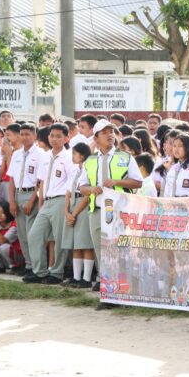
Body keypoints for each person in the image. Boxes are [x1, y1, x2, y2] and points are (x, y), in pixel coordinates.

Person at [78, 119, 142, 294]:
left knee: (120, 251)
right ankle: (108, 291)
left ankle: (122, 290)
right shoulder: (90, 160)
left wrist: (117, 181)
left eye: (111, 131)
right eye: (105, 132)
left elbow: (138, 182)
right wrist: (92, 189)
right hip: (97, 211)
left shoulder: (125, 157)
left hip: (119, 211)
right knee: (101, 252)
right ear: (96, 138)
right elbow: (81, 186)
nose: (110, 135)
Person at [26, 123, 73, 284]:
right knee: (34, 235)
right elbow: (42, 182)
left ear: (67, 138)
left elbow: (71, 184)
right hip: (46, 201)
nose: (54, 139)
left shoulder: (69, 157)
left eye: (59, 136)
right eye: (52, 136)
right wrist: (41, 203)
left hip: (61, 200)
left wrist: (67, 206)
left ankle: (57, 272)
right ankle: (40, 271)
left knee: (59, 238)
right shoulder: (45, 156)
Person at [8, 123, 41, 276]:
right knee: (22, 233)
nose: (24, 137)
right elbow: (12, 179)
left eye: (28, 134)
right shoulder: (16, 154)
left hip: (32, 194)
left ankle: (36, 265)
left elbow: (40, 181)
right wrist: (12, 201)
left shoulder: (40, 154)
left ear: (35, 136)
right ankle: (28, 264)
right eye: (22, 134)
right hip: (19, 193)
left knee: (32, 233)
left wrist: (32, 200)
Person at [63, 142, 96, 288]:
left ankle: (86, 278)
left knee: (85, 244)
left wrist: (74, 213)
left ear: (82, 155)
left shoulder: (89, 168)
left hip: (83, 206)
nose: (72, 156)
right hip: (72, 204)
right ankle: (76, 277)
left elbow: (87, 195)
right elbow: (68, 191)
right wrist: (67, 211)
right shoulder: (75, 170)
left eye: (75, 154)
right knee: (76, 244)